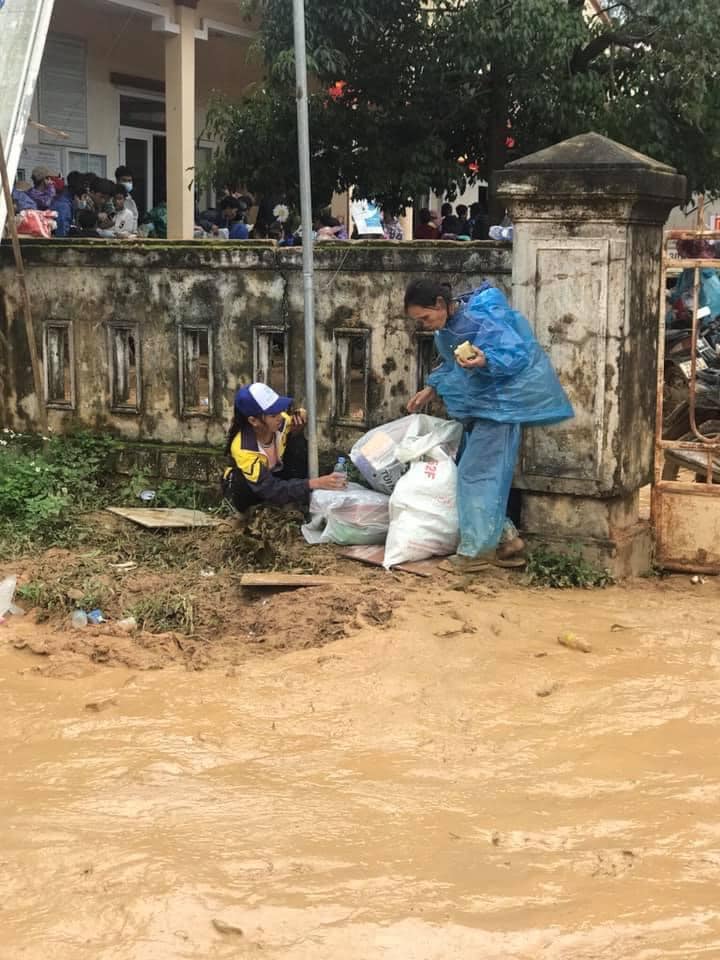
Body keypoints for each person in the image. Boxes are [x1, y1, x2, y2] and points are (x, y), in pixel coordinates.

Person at [405, 278, 573, 571]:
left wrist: (486, 360)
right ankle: (506, 540)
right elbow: (450, 361)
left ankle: (475, 553)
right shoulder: (450, 326)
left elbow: (516, 354)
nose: (425, 324)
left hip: (499, 409)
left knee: (476, 475)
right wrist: (431, 387)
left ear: (441, 305)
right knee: (478, 474)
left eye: (425, 317)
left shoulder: (478, 320)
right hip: (483, 408)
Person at [222, 383, 348, 513]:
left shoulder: (282, 422)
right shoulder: (243, 448)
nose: (280, 417)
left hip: (276, 475)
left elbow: (297, 419)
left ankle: (296, 502)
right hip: (257, 489)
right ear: (254, 421)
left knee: (298, 443)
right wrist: (315, 483)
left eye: (280, 411)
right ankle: (245, 514)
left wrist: (298, 428)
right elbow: (269, 488)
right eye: (273, 415)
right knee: (239, 481)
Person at [114, 165, 139, 231]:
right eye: (124, 180)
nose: (127, 183)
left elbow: (134, 218)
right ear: (117, 180)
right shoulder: (112, 197)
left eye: (129, 181)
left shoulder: (130, 200)